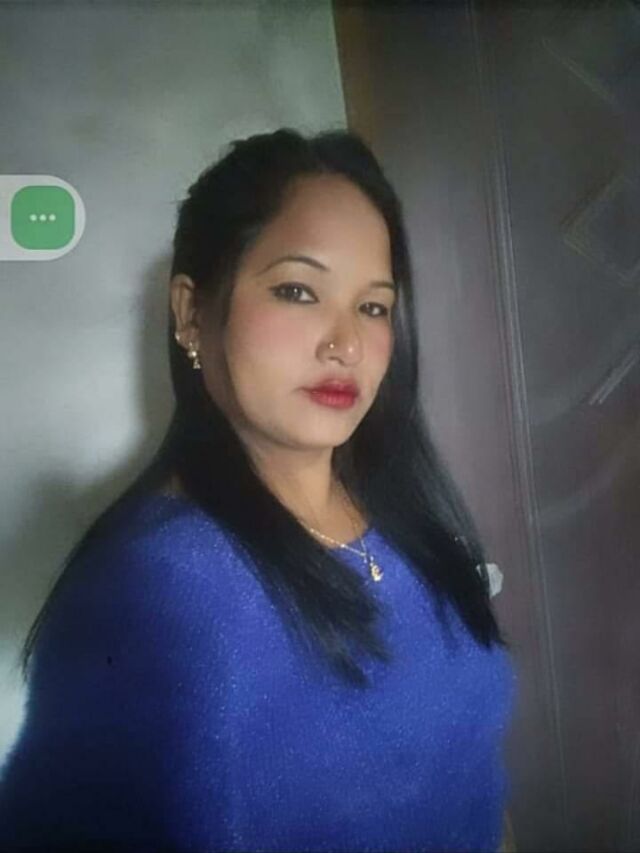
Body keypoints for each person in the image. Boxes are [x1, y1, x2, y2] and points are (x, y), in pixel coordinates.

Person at [0, 128, 517, 852]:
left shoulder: (405, 514)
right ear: (191, 312)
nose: (345, 343)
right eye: (298, 291)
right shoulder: (151, 590)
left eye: (373, 307)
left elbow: (477, 776)